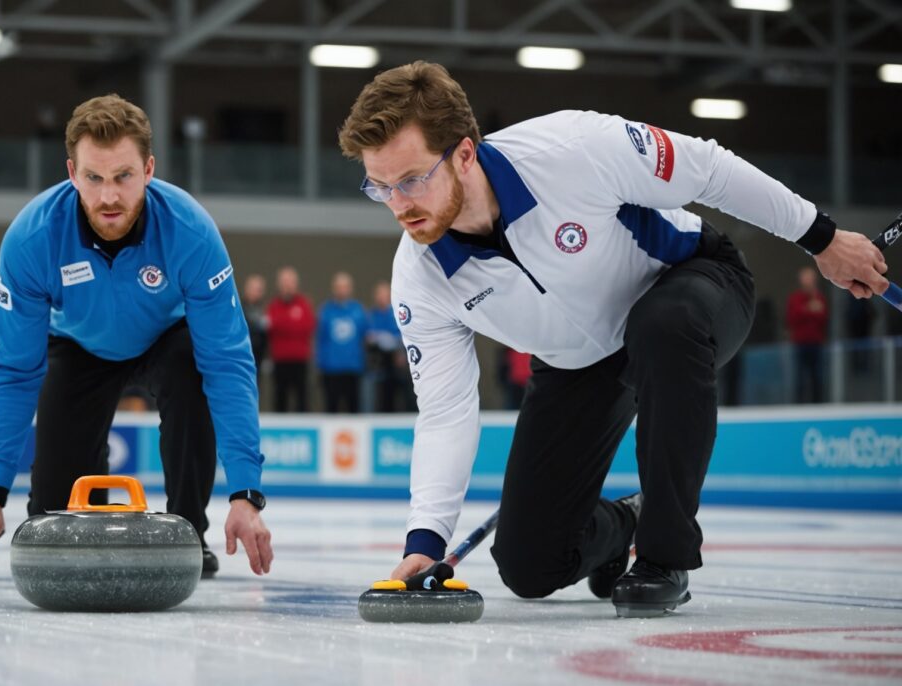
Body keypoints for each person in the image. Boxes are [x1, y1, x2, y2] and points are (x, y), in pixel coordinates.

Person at [337, 61, 889, 617]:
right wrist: (424, 542)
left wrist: (821, 237)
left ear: (463, 153)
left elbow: (709, 168)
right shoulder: (420, 274)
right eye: (378, 186)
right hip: (578, 363)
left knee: (661, 326)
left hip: (692, 285)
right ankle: (629, 519)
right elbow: (445, 410)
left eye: (410, 180)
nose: (398, 204)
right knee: (529, 565)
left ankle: (663, 555)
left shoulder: (570, 148)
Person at [0, 94, 273, 578]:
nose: (109, 197)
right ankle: (85, 510)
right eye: (94, 178)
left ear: (148, 169)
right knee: (51, 521)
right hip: (79, 349)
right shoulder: (30, 240)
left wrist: (246, 493)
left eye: (123, 176)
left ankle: (189, 530)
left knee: (194, 367)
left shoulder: (191, 232)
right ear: (71, 173)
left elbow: (228, 364)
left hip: (168, 339)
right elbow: (13, 372)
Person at [316, 272, 368, 413]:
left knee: (354, 407)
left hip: (353, 368)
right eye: (339, 287)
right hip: (331, 369)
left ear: (350, 288)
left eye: (345, 287)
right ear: (334, 288)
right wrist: (321, 364)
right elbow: (321, 339)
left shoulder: (358, 310)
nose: (342, 290)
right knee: (331, 407)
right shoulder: (326, 310)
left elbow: (366, 336)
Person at [266, 266, 316, 412]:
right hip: (280, 360)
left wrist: (283, 323)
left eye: (290, 281)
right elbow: (271, 327)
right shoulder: (273, 306)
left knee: (302, 398)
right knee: (280, 397)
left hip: (300, 360)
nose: (287, 285)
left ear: (296, 283)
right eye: (284, 281)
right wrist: (289, 322)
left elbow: (306, 327)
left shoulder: (304, 304)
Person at [785, 267, 828, 403]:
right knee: (799, 377)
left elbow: (823, 317)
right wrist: (810, 309)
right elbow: (792, 318)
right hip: (800, 343)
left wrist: (807, 311)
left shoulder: (819, 297)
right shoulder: (795, 298)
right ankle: (799, 405)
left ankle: (818, 404)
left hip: (816, 342)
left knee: (817, 376)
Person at [366, 280, 410, 412]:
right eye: (379, 294)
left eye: (385, 294)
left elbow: (404, 334)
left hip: (398, 363)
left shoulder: (398, 313)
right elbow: (368, 337)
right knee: (382, 400)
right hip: (379, 364)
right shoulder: (372, 315)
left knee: (403, 398)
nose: (382, 298)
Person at [242, 274, 269, 377]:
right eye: (253, 288)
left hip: (259, 356)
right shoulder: (238, 308)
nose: (256, 292)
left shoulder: (265, 310)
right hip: (243, 355)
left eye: (259, 289)